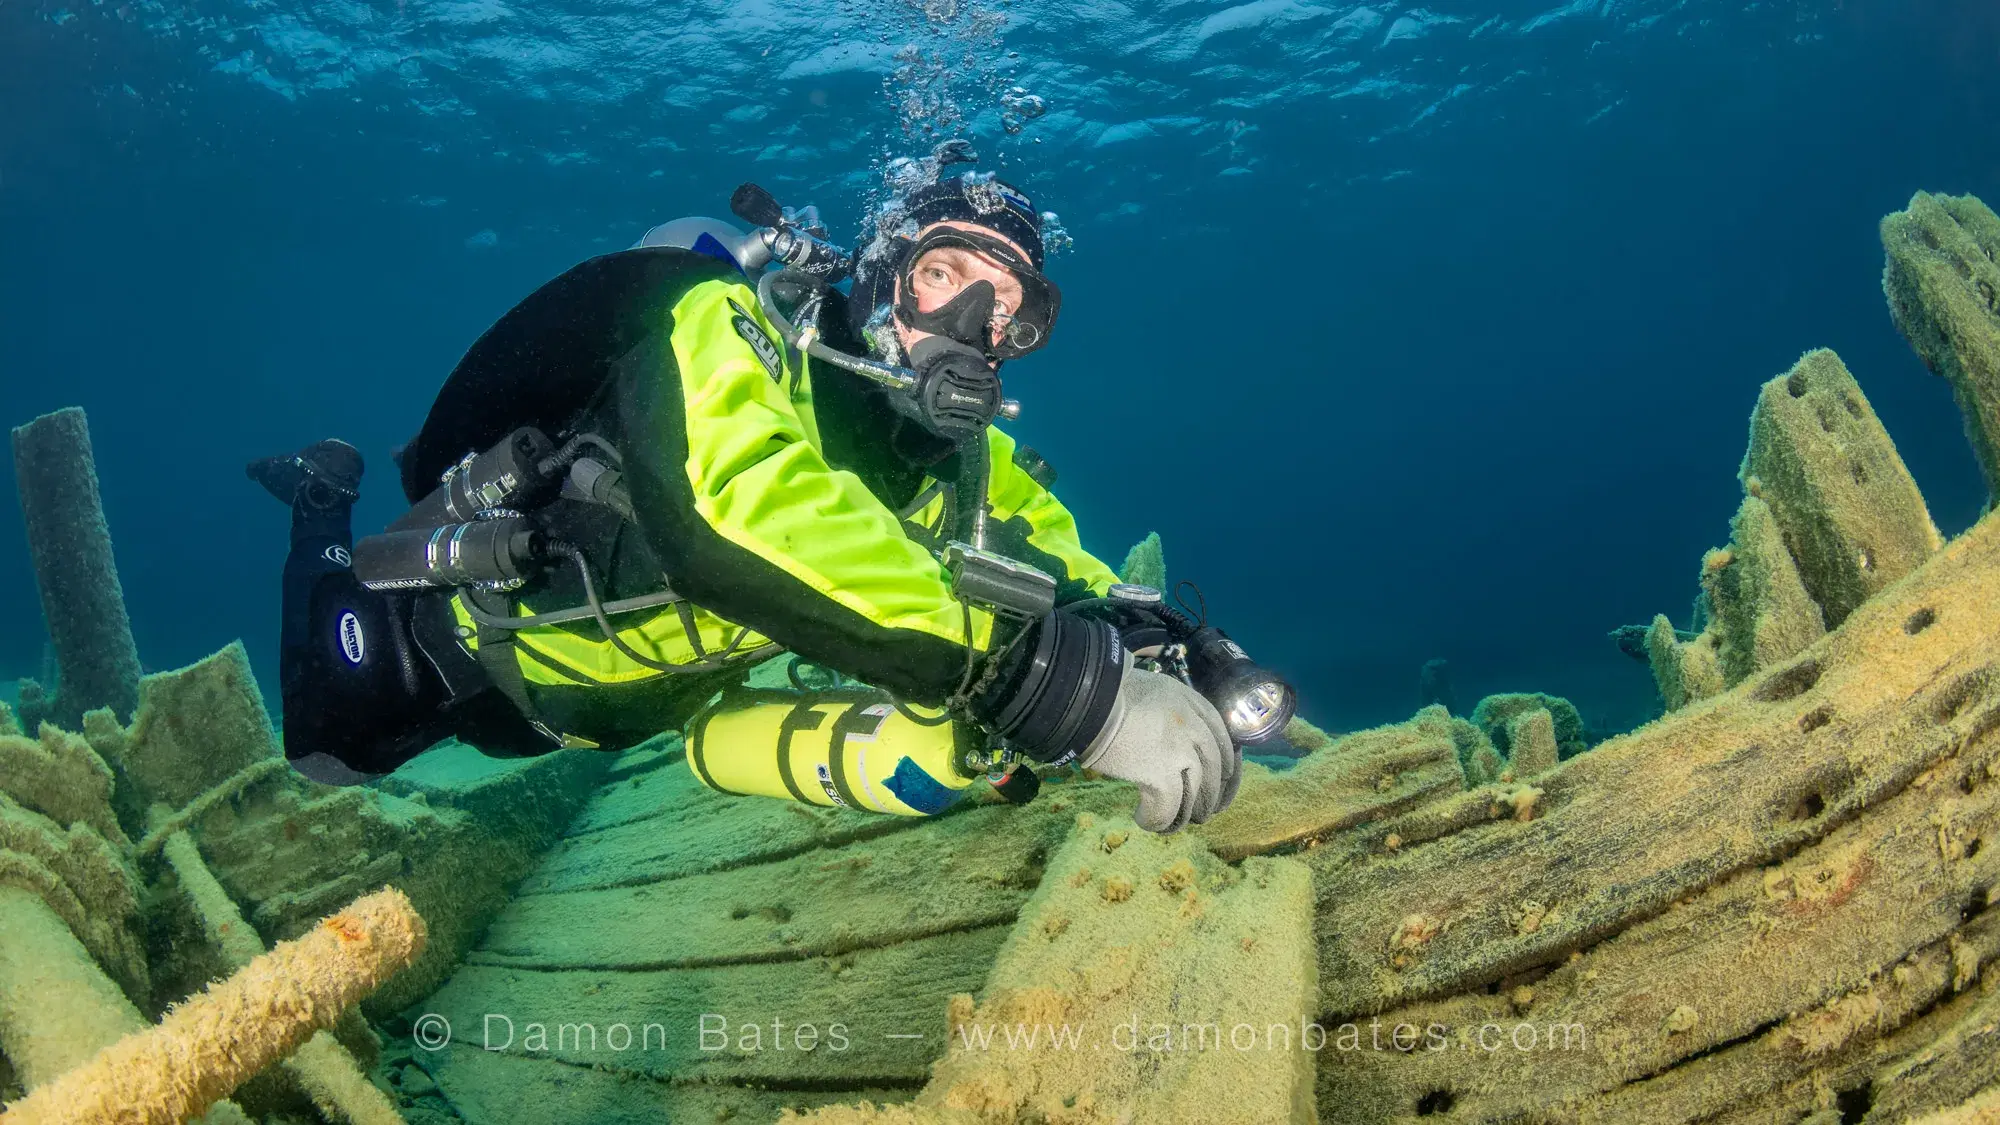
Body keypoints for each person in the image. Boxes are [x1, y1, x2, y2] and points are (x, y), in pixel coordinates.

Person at [250, 166, 1271, 834]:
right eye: (942, 275)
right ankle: (321, 498)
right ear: (881, 278)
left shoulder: (967, 464)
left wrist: (1164, 639)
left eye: (1005, 309)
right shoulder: (727, 328)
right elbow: (733, 509)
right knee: (328, 753)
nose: (965, 323)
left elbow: (1057, 559)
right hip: (447, 646)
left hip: (609, 716)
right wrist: (1052, 694)